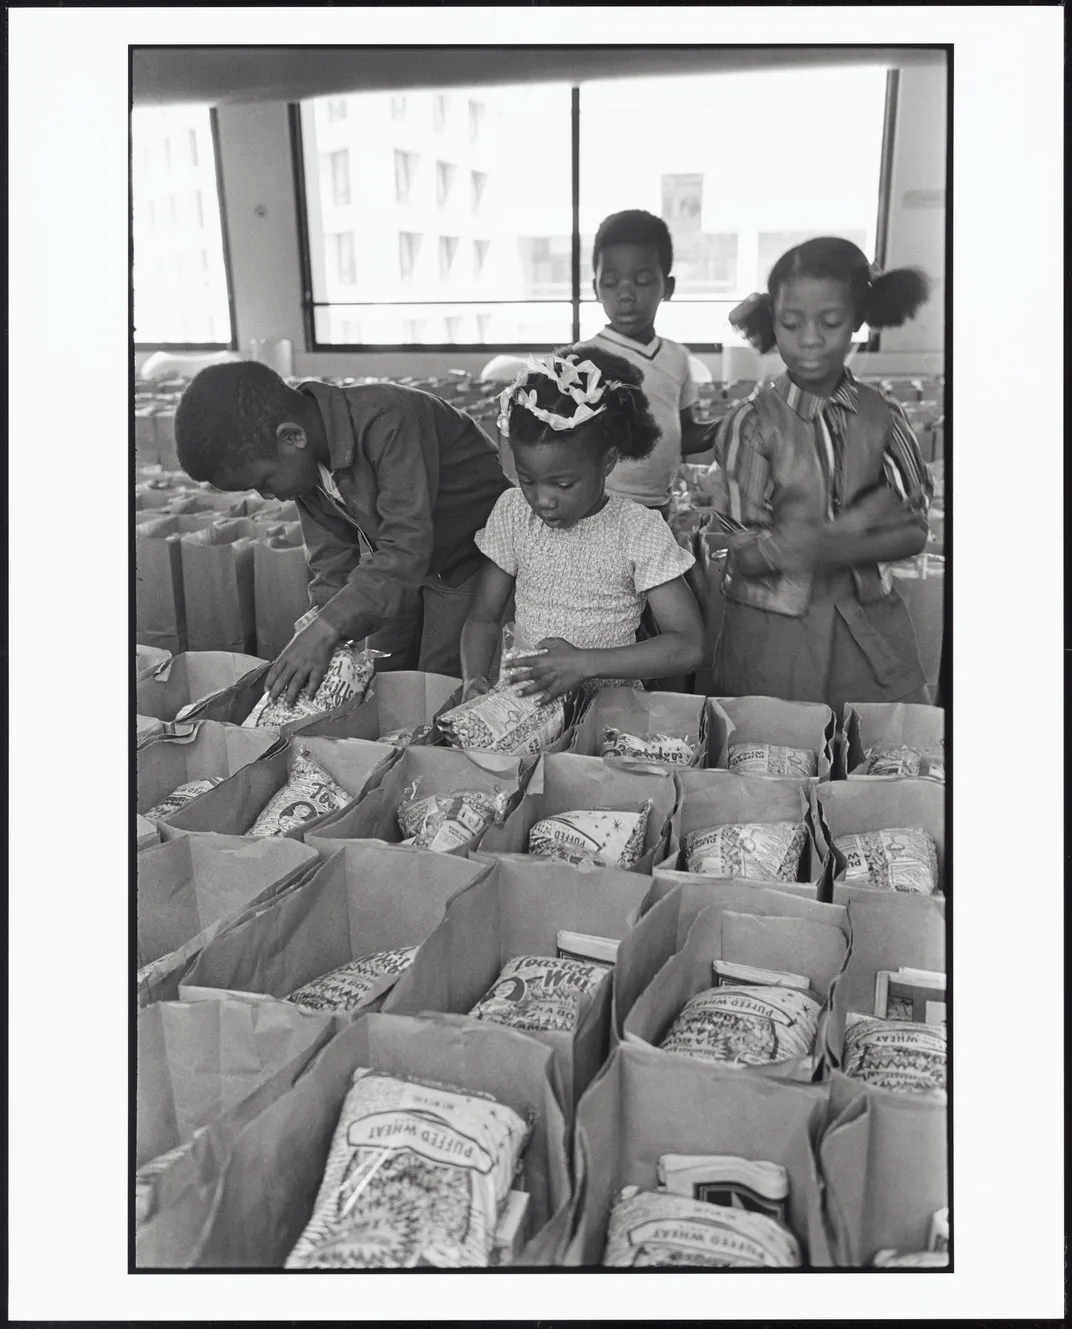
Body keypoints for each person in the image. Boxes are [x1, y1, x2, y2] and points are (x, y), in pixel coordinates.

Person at [174, 361, 509, 702]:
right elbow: (332, 558)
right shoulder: (302, 466)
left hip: (467, 560)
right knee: (382, 671)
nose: (267, 496)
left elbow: (407, 546)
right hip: (399, 565)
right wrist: (318, 622)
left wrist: (326, 630)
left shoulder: (389, 420)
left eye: (264, 482)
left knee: (439, 684)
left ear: (292, 436)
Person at [709, 236, 935, 714]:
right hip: (772, 641)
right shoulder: (750, 425)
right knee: (774, 758)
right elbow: (742, 554)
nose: (810, 338)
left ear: (857, 319)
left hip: (868, 634)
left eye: (830, 322)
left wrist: (804, 543)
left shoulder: (886, 417)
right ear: (772, 322)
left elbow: (914, 532)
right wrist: (848, 532)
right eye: (791, 324)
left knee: (873, 761)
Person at [460, 347, 704, 705]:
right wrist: (473, 679)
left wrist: (585, 664)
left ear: (606, 463)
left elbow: (688, 644)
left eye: (563, 485)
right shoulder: (513, 513)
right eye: (527, 480)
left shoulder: (636, 530)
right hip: (529, 707)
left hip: (608, 711)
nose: (543, 500)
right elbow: (482, 618)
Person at [582, 209, 711, 514]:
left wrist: (732, 423)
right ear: (595, 288)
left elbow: (685, 434)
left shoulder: (677, 357)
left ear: (667, 288)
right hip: (600, 509)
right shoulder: (583, 359)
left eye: (641, 281)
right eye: (611, 282)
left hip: (659, 507)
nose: (625, 295)